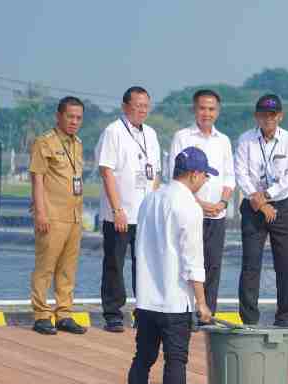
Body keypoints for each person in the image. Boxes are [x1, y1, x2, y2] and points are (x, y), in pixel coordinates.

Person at [124, 147, 215, 384]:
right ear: (194, 174)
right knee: (176, 361)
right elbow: (192, 260)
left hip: (148, 298)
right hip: (175, 299)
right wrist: (201, 303)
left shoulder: (150, 199)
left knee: (143, 359)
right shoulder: (188, 205)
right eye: (204, 176)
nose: (204, 181)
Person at [96, 86, 162, 332]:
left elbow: (155, 173)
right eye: (137, 106)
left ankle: (144, 311)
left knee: (144, 264)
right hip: (120, 214)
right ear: (125, 107)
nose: (142, 110)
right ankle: (113, 313)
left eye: (146, 106)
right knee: (114, 262)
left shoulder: (151, 134)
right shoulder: (113, 132)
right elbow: (106, 171)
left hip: (144, 213)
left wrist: (154, 206)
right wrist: (117, 210)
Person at [167, 89, 236, 317]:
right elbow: (175, 177)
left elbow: (229, 177)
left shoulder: (223, 141)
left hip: (216, 215)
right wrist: (200, 204)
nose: (207, 113)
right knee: (188, 263)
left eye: (211, 109)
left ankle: (208, 313)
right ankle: (185, 312)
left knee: (212, 266)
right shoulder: (182, 137)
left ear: (218, 111)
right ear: (194, 109)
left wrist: (222, 203)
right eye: (202, 108)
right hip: (190, 213)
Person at [234, 94, 288, 327]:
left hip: (282, 207)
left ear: (280, 116)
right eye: (263, 114)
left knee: (286, 263)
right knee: (251, 264)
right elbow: (241, 173)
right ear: (257, 116)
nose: (268, 119)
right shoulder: (245, 140)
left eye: (272, 115)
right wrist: (260, 203)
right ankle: (249, 318)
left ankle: (284, 317)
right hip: (254, 207)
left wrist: (268, 196)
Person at [28, 96, 88, 336]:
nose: (74, 121)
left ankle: (64, 313)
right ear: (59, 116)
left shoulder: (78, 144)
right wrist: (41, 213)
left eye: (78, 118)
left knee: (67, 268)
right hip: (52, 215)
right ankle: (42, 314)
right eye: (70, 116)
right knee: (45, 267)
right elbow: (38, 179)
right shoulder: (45, 142)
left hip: (74, 216)